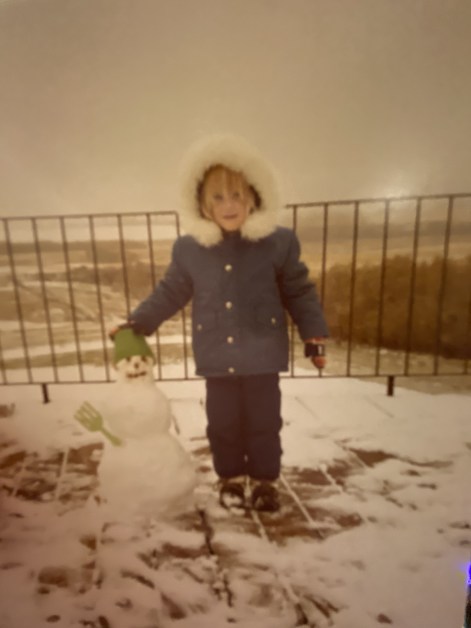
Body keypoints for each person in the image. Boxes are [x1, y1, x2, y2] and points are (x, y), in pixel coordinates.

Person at [110, 135, 328, 512]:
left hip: (262, 356)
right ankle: (230, 479)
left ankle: (264, 482)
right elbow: (170, 291)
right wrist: (138, 322)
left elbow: (299, 290)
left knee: (264, 423)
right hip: (216, 355)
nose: (229, 205)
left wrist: (314, 333)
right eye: (218, 197)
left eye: (237, 195)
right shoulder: (190, 249)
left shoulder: (278, 243)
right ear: (201, 203)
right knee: (223, 423)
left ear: (254, 196)